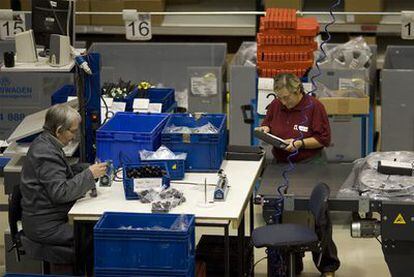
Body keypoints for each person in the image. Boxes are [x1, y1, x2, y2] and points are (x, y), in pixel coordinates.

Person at [256, 73, 339, 277]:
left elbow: (323, 139)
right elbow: (268, 121)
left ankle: (327, 265)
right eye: (279, 97)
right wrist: (265, 129)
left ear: (299, 91)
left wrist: (300, 143)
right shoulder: (277, 105)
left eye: (287, 97)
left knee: (319, 215)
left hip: (311, 163)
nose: (283, 101)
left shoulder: (315, 107)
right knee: (282, 212)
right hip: (282, 165)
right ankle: (291, 263)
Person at [20, 104, 107, 260]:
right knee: (97, 236)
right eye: (72, 131)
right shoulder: (45, 152)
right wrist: (89, 174)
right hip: (46, 226)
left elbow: (61, 173)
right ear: (59, 130)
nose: (74, 136)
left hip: (49, 217)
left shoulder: (48, 142)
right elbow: (60, 192)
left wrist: (88, 168)